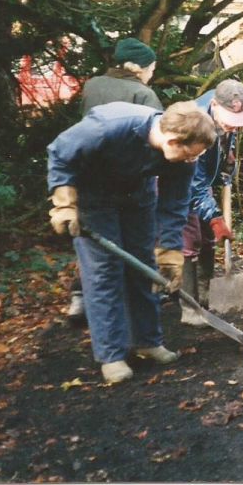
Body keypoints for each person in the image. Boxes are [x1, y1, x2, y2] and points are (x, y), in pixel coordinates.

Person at [47, 101, 216, 383]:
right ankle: (112, 355)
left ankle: (148, 341)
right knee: (104, 273)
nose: (192, 161)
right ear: (172, 141)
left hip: (137, 196)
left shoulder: (185, 156)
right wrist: (64, 203)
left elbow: (175, 204)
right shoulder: (107, 128)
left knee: (145, 267)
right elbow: (61, 153)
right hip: (93, 199)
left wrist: (171, 251)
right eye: (190, 155)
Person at [67, 37, 164, 322]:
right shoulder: (144, 95)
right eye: (150, 68)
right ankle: (135, 322)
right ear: (137, 68)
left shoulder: (92, 85)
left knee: (97, 254)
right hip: (129, 186)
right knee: (134, 251)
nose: (151, 74)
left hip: (89, 180)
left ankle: (80, 296)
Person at [180, 79, 243, 326]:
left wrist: (227, 161)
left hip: (201, 180)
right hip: (180, 180)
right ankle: (189, 307)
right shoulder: (193, 125)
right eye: (229, 123)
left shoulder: (223, 111)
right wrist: (216, 218)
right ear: (214, 105)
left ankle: (206, 290)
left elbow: (226, 140)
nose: (233, 128)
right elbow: (195, 184)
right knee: (190, 240)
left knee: (208, 237)